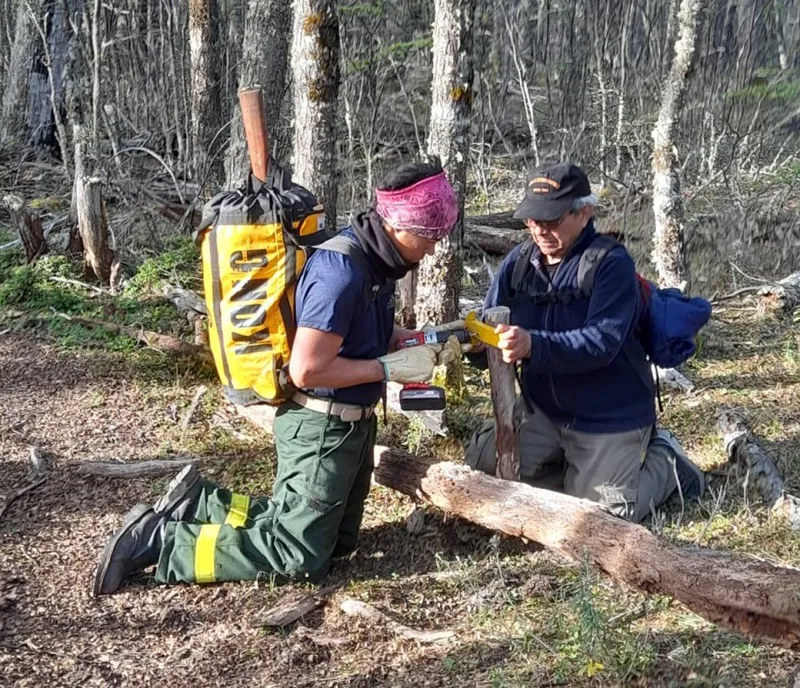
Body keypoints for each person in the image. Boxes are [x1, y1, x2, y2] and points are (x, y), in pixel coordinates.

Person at [93, 159, 460, 595]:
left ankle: (200, 505)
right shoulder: (342, 272)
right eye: (429, 237)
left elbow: (360, 334)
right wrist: (387, 369)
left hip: (353, 428)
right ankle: (159, 541)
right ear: (397, 225)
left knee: (337, 543)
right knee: (297, 556)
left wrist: (421, 341)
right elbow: (307, 368)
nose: (432, 250)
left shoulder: (378, 263)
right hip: (322, 426)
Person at [464, 161, 705, 522]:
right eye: (532, 219)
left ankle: (668, 462)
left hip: (607, 417)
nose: (540, 230)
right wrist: (478, 348)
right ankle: (575, 475)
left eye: (552, 219)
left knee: (603, 518)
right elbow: (491, 329)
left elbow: (600, 343)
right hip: (543, 412)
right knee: (487, 464)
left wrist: (532, 345)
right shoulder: (517, 264)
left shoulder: (611, 264)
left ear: (584, 213)